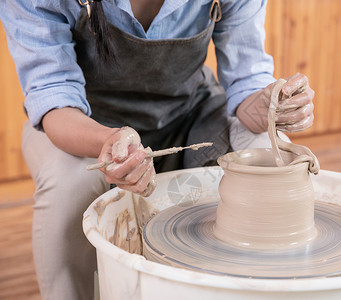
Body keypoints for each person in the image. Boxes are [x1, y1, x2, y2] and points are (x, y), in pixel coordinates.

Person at [0, 0, 315, 299]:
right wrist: (109, 141)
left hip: (189, 113)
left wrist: (269, 107)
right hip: (83, 126)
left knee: (268, 154)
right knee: (69, 184)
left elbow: (246, 84)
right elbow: (54, 100)